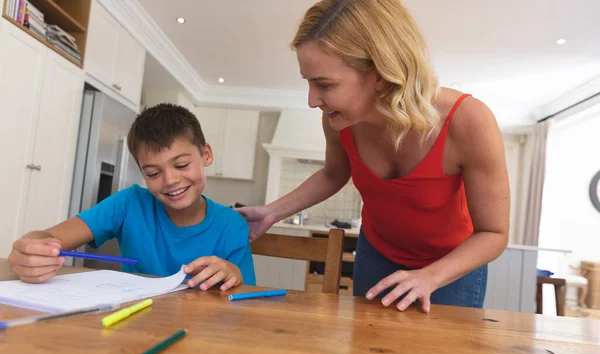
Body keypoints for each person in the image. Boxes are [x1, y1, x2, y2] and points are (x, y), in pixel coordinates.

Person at [238, 0, 509, 312]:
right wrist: (273, 212)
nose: (312, 100)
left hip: (451, 267)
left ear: (381, 74)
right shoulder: (339, 121)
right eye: (308, 82)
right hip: (377, 254)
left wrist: (428, 277)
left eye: (324, 84)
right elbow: (333, 174)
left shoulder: (469, 121)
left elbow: (493, 233)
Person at [8, 103, 256, 291]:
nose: (170, 180)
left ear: (206, 155)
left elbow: (244, 295)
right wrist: (31, 247)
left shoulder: (232, 225)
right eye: (153, 172)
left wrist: (234, 274)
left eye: (181, 165)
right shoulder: (128, 204)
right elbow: (49, 238)